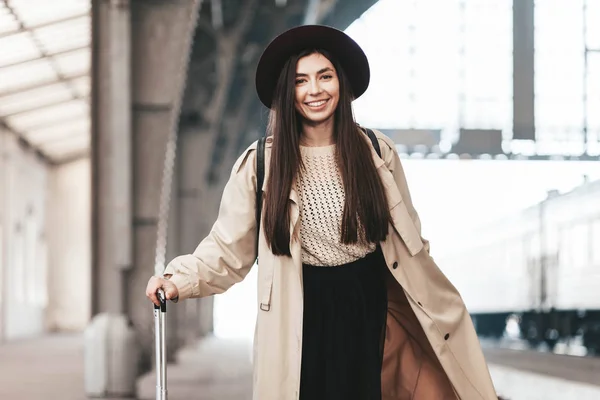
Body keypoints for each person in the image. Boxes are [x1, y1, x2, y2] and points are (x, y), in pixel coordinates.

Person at [146, 25, 502, 400]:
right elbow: (226, 249)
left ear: (341, 83)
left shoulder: (378, 153)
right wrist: (177, 279)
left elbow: (411, 238)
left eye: (324, 76)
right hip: (300, 311)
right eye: (301, 81)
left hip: (373, 311)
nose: (315, 90)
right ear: (288, 92)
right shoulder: (261, 164)